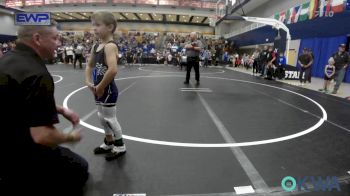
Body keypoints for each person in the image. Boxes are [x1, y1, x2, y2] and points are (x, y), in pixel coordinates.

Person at [0, 20, 88, 195]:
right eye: (55, 38)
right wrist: (70, 137)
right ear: (37, 39)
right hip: (18, 153)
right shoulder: (37, 74)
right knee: (79, 168)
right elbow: (42, 136)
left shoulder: (8, 59)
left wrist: (61, 109)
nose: (59, 44)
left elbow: (19, 99)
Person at [85, 11, 126, 161]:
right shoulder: (96, 46)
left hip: (107, 89)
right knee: (101, 117)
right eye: (93, 25)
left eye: (97, 25)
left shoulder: (110, 46)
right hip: (98, 88)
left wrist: (101, 86)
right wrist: (88, 81)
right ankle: (109, 142)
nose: (94, 28)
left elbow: (113, 69)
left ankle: (120, 146)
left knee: (110, 118)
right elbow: (89, 66)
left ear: (110, 27)